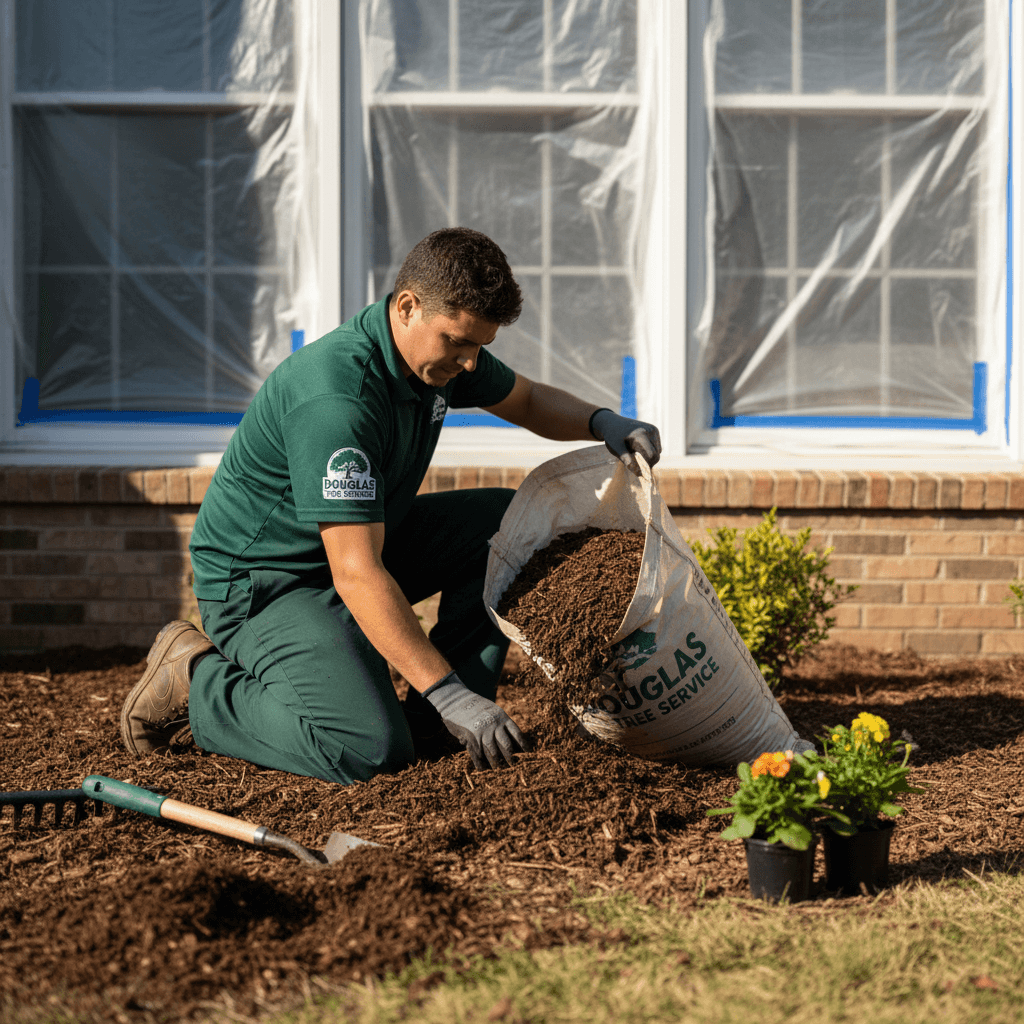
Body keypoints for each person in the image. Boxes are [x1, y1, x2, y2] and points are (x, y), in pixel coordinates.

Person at [120, 228, 662, 784]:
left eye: (481, 346)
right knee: (365, 749)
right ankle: (196, 681)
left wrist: (603, 423)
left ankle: (440, 723)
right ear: (407, 307)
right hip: (267, 581)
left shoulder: (437, 359)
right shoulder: (337, 399)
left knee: (506, 525)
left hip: (358, 545)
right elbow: (355, 574)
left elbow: (525, 399)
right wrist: (446, 688)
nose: (471, 363)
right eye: (458, 341)